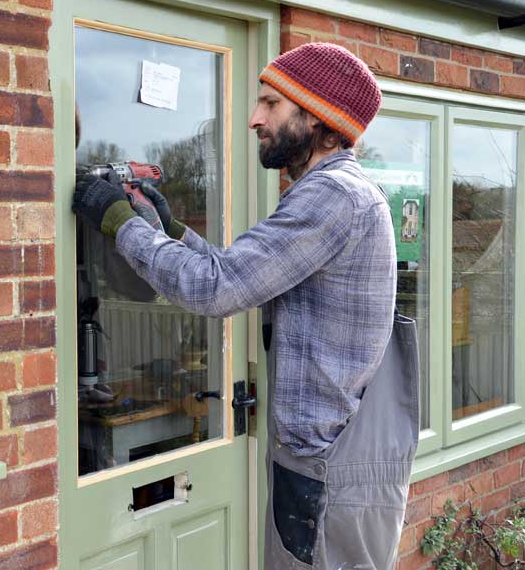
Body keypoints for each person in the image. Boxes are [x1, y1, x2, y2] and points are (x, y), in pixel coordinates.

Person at [72, 43, 419, 569]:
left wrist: (120, 222)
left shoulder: (334, 197)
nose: (254, 119)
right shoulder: (333, 193)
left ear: (317, 115)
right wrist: (169, 230)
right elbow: (238, 275)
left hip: (328, 465)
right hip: (324, 457)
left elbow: (214, 290)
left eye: (270, 104)